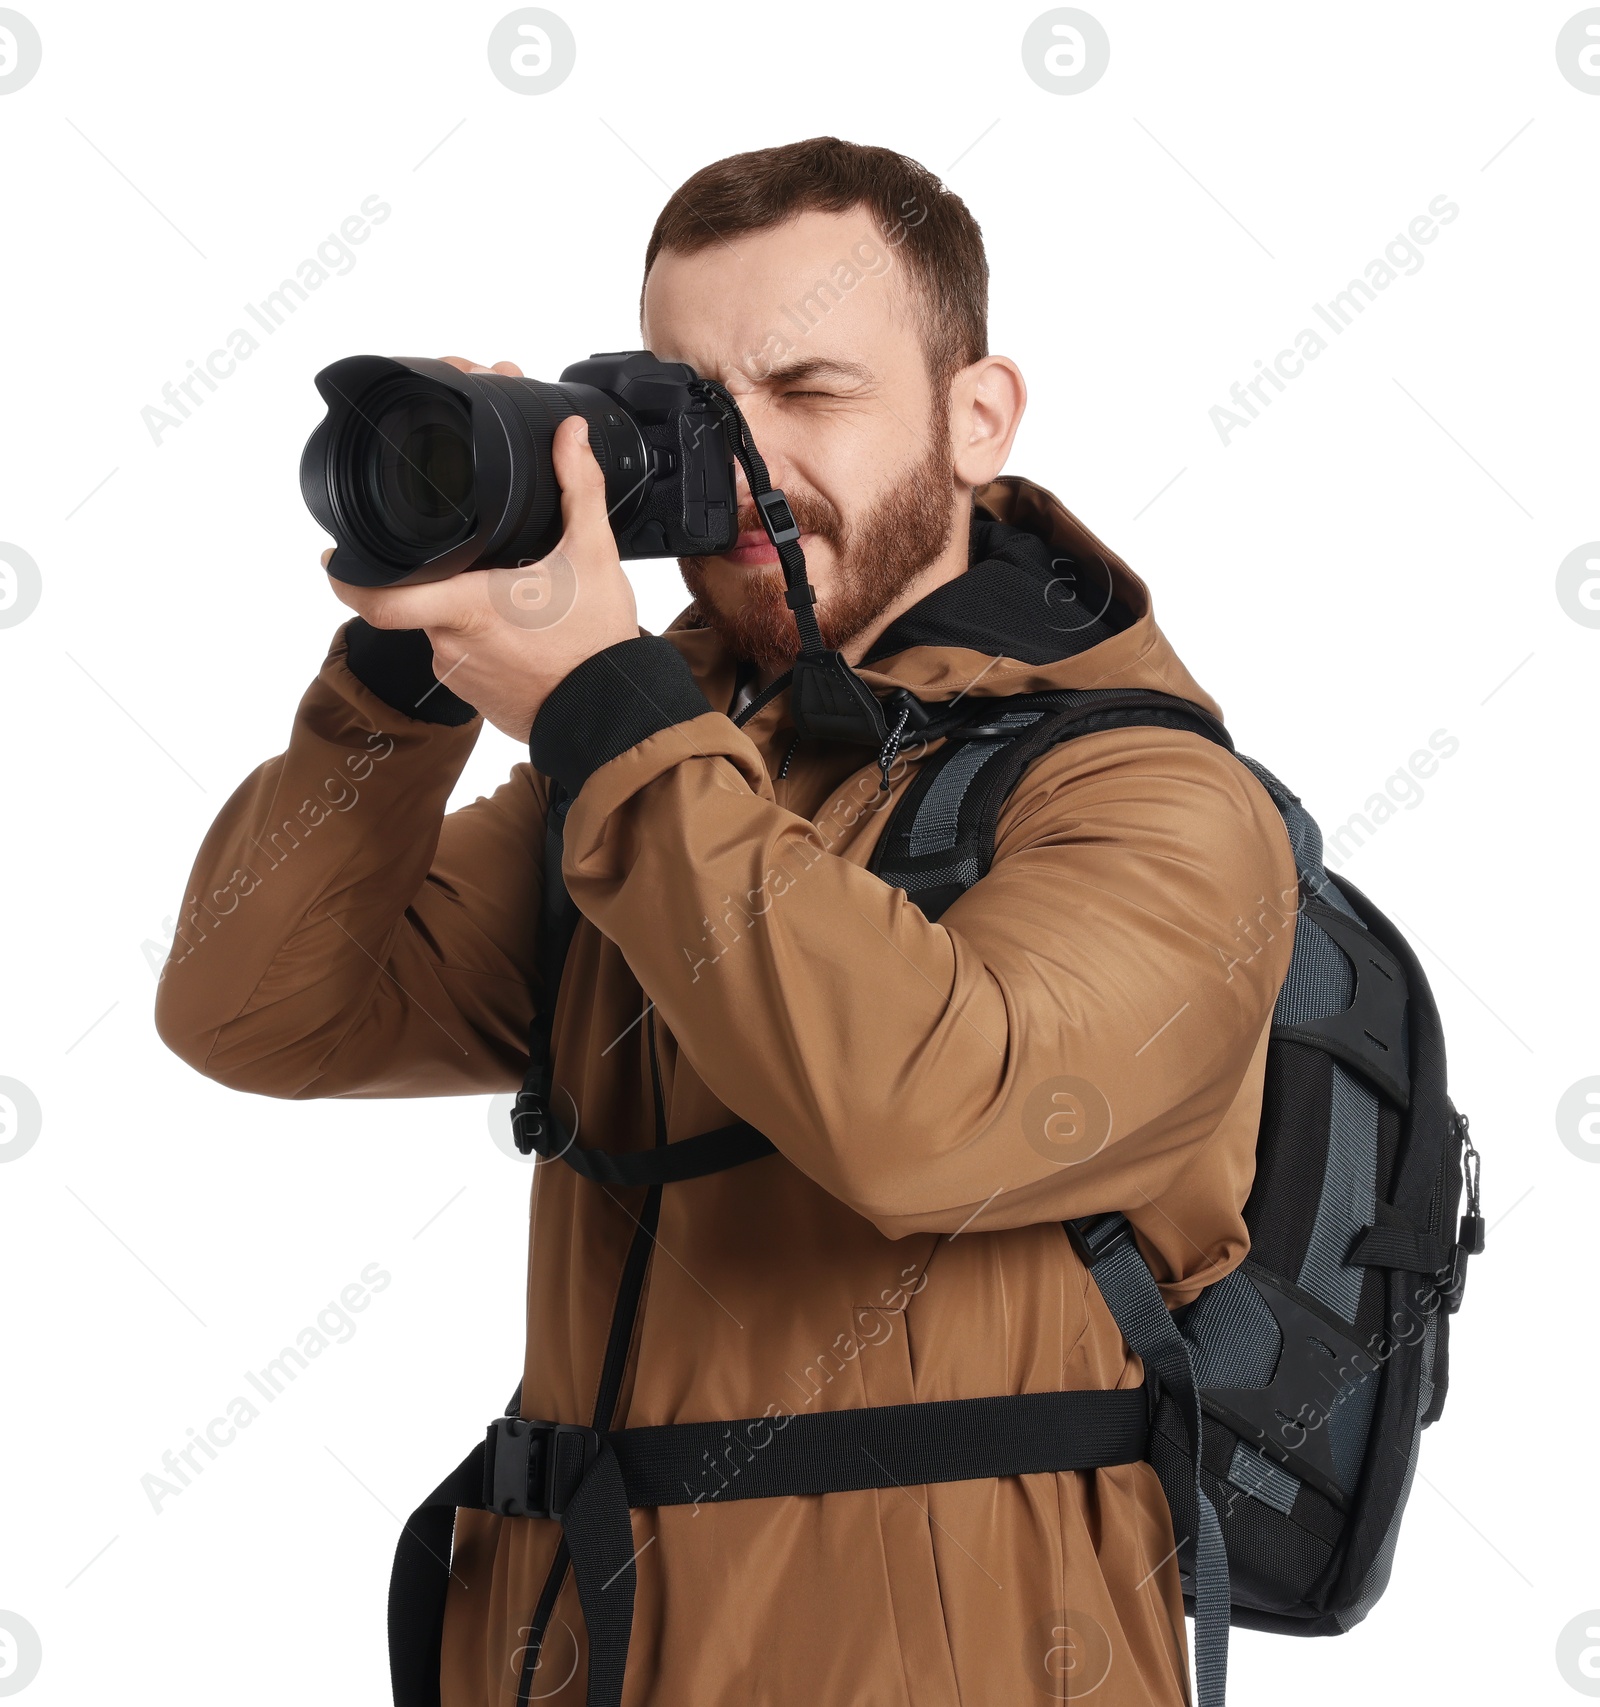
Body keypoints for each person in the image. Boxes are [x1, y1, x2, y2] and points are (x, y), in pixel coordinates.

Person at [156, 136, 1297, 1707]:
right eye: (691, 408)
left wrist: (608, 718)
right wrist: (401, 685)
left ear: (979, 419)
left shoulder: (1157, 804)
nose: (743, 464)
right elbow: (259, 1011)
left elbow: (937, 1115)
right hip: (584, 1650)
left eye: (810, 392)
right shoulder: (658, 772)